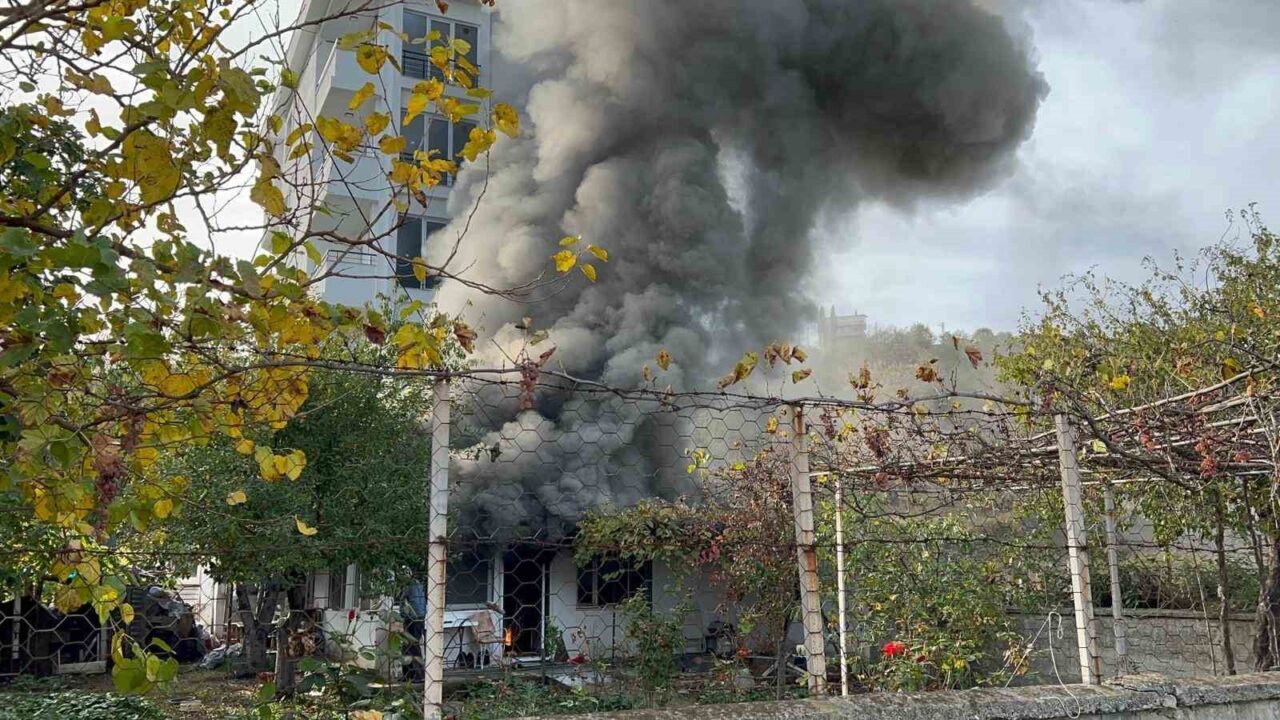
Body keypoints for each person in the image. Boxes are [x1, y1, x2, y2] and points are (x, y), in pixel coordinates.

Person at [400, 580, 426, 682]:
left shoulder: (410, 586)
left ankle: (418, 675)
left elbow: (407, 603)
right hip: (417, 617)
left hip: (412, 618)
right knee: (408, 646)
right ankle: (409, 674)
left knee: (412, 646)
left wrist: (403, 616)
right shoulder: (418, 585)